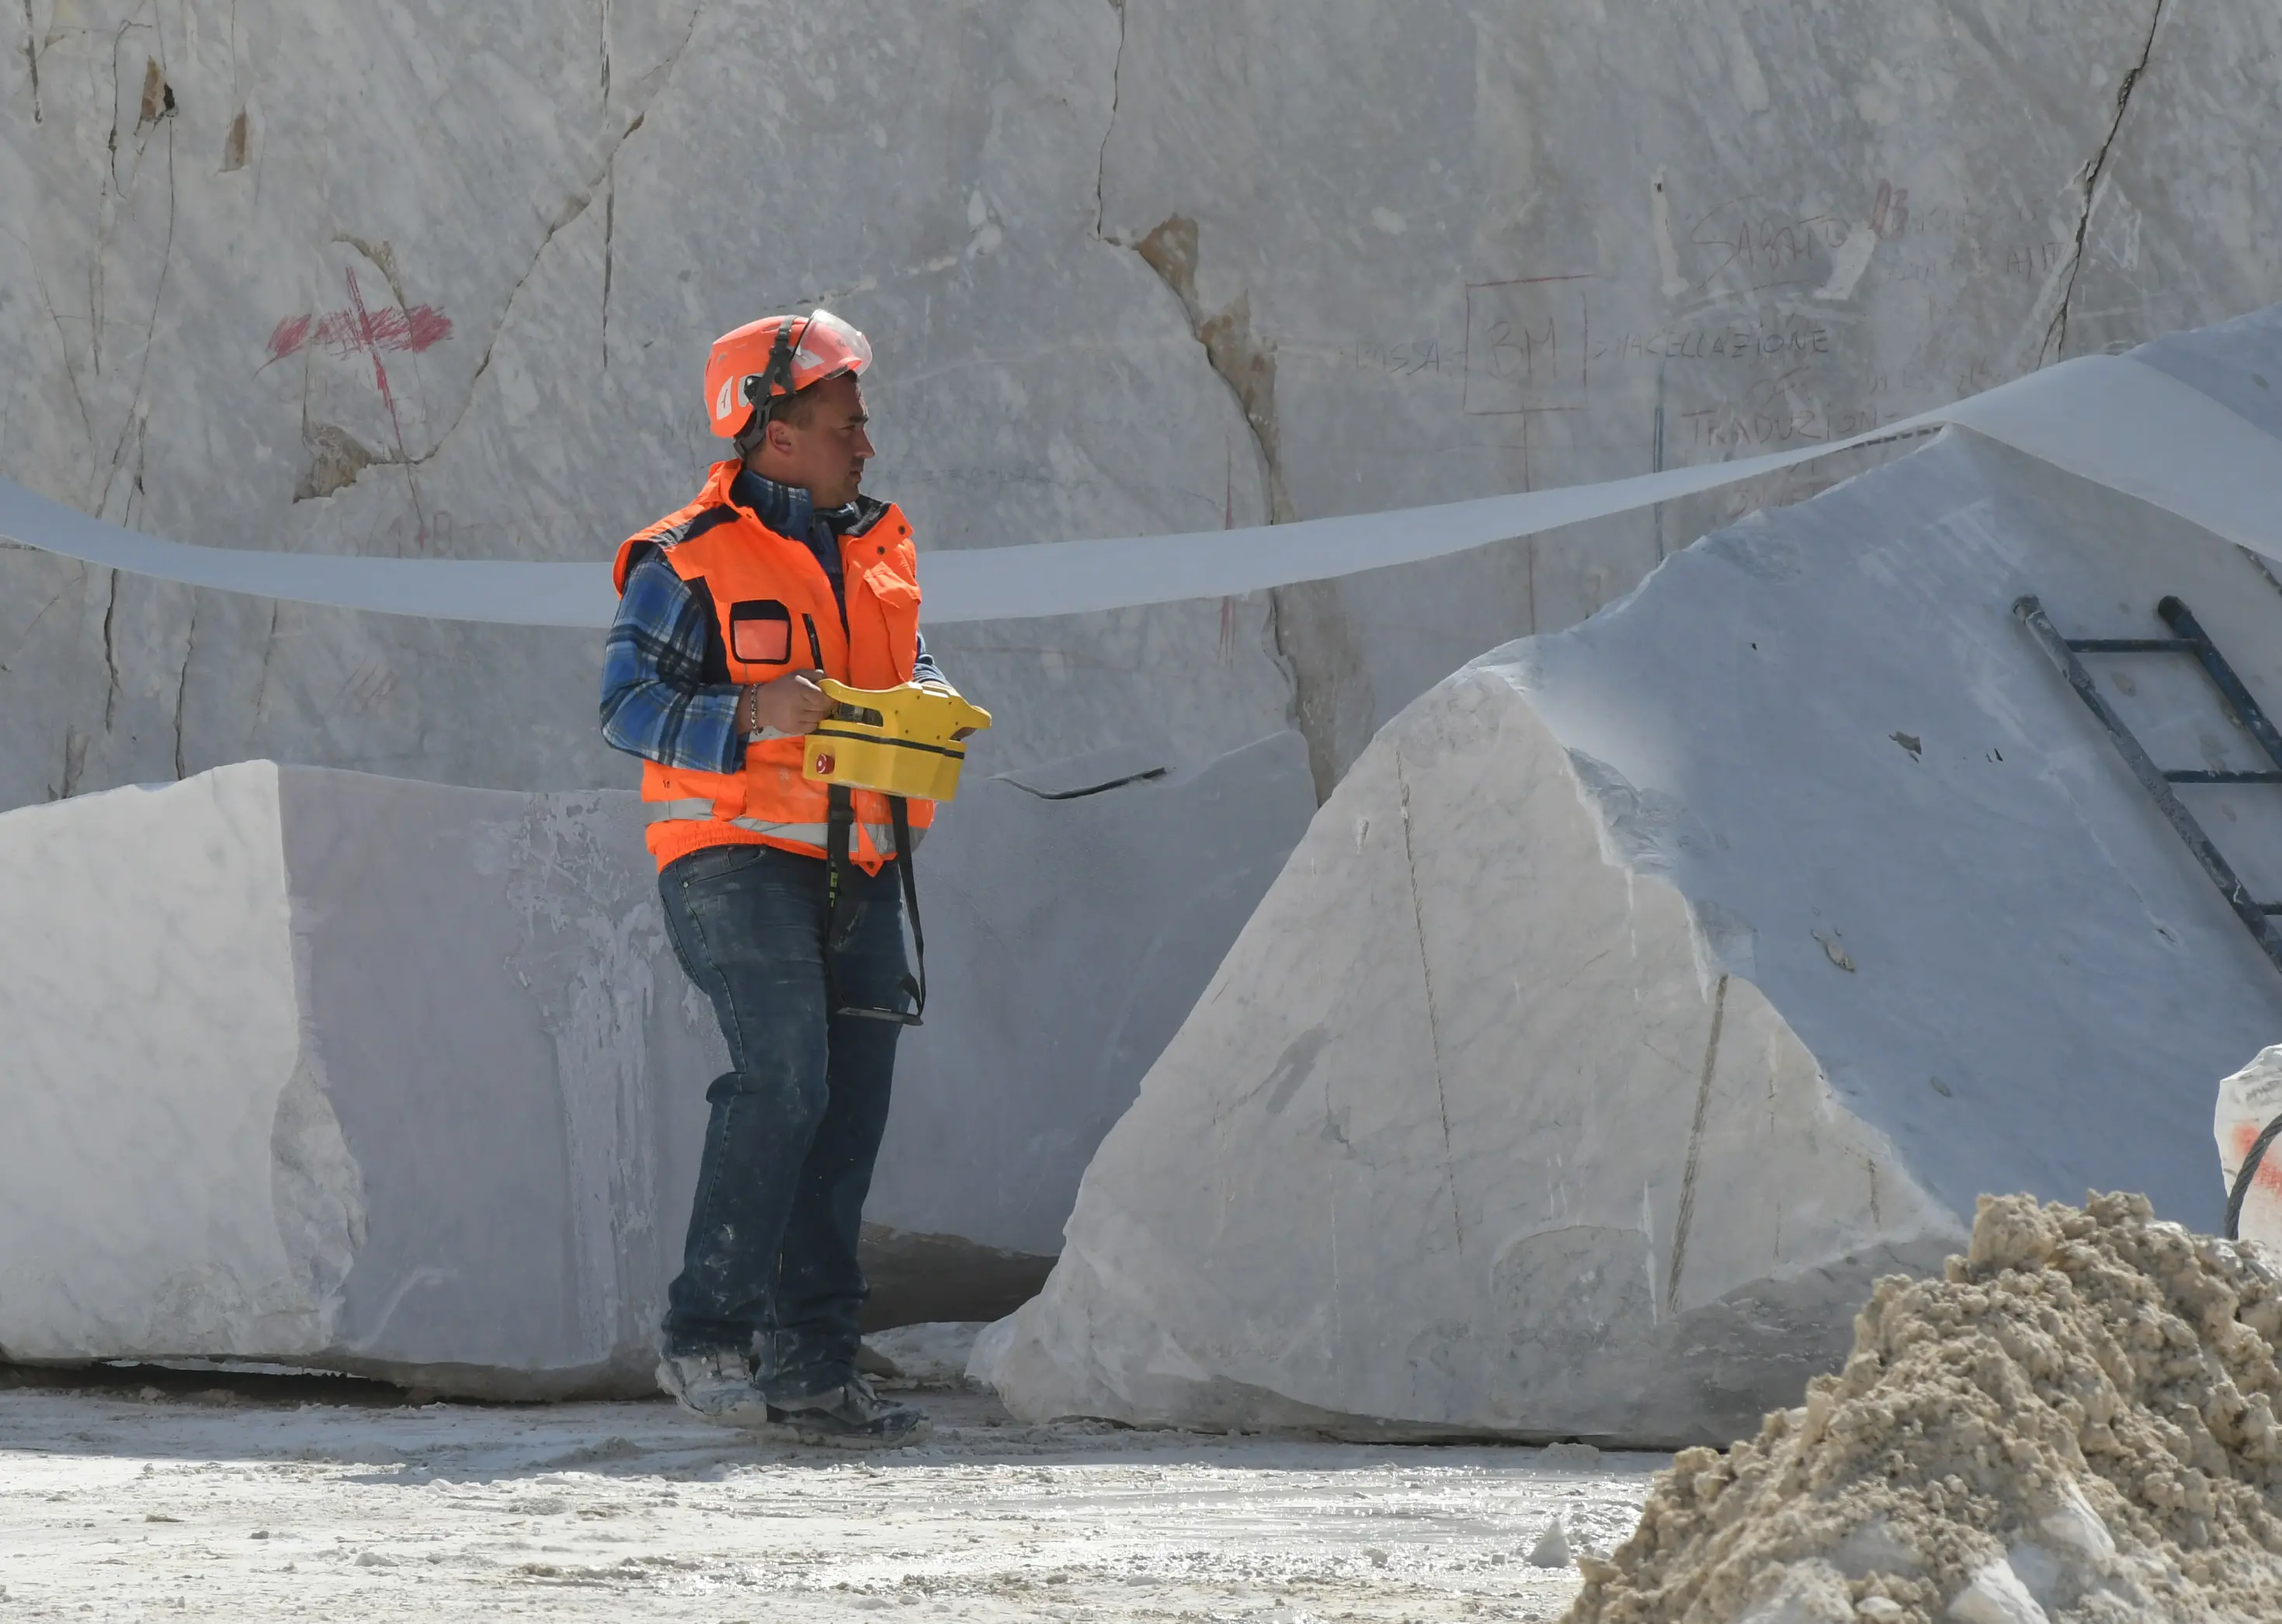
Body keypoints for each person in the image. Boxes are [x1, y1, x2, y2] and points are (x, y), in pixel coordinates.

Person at [599, 309, 957, 1446]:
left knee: (847, 1112)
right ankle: (705, 1333)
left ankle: (811, 1370)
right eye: (844, 421)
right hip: (731, 862)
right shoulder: (686, 556)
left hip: (858, 866)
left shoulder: (882, 547)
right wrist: (753, 708)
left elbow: (906, 666)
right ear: (774, 435)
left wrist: (931, 711)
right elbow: (625, 707)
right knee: (786, 1080)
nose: (866, 441)